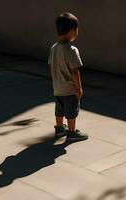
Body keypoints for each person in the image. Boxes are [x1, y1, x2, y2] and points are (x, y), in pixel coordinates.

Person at [48, 12, 88, 142]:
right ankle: (71, 132)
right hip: (69, 89)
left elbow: (51, 66)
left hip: (57, 87)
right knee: (71, 111)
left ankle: (59, 129)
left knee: (59, 110)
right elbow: (75, 71)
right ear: (72, 31)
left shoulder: (54, 48)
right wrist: (79, 88)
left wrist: (55, 80)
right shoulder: (71, 50)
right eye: (77, 30)